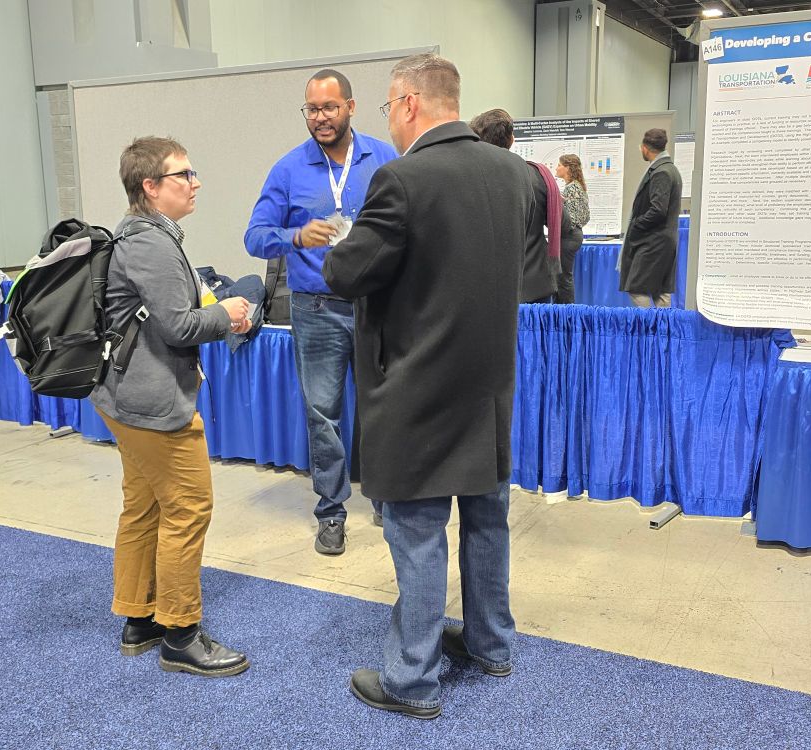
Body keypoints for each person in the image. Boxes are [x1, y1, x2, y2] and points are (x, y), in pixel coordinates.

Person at [322, 54, 534, 720]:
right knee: (486, 522)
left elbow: (349, 274)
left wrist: (341, 241)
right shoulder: (517, 175)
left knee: (416, 535)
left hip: (415, 389)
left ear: (408, 103)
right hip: (488, 386)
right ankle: (490, 644)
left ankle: (411, 680)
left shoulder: (401, 180)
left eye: (388, 108)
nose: (392, 120)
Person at [91, 136, 252, 677]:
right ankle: (181, 634)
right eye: (184, 174)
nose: (195, 182)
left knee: (145, 507)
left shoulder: (143, 236)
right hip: (154, 404)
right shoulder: (152, 243)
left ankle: (139, 617)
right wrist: (227, 312)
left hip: (127, 398)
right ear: (151, 188)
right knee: (187, 509)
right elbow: (179, 325)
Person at [244, 69, 398, 555]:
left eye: (330, 107)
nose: (320, 117)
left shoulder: (386, 159)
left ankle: (386, 498)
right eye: (312, 109)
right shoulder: (288, 169)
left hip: (379, 306)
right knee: (323, 415)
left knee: (383, 408)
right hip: (317, 309)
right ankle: (331, 512)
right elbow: (254, 236)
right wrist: (294, 236)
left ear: (350, 106)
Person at [469, 108, 573, 304]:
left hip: (487, 290)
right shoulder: (539, 176)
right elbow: (564, 225)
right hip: (534, 287)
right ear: (511, 140)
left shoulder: (469, 179)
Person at [620, 128, 682, 308]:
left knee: (636, 287)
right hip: (663, 241)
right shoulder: (671, 169)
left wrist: (636, 224)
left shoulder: (661, 172)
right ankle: (663, 331)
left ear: (645, 148)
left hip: (653, 242)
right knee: (660, 291)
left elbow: (658, 210)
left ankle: (650, 328)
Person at [555, 154, 590, 304]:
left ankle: (567, 313)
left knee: (563, 277)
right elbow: (586, 216)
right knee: (564, 276)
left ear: (567, 168)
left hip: (569, 236)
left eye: (559, 165)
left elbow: (572, 218)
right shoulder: (577, 186)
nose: (556, 168)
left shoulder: (571, 189)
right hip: (574, 235)